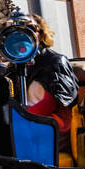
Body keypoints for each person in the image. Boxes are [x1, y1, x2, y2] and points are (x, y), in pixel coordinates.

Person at [22, 13, 79, 154]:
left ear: (41, 35)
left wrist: (20, 117)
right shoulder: (18, 66)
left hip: (51, 123)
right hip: (27, 120)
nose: (23, 34)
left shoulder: (54, 61)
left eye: (30, 29)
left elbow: (51, 103)